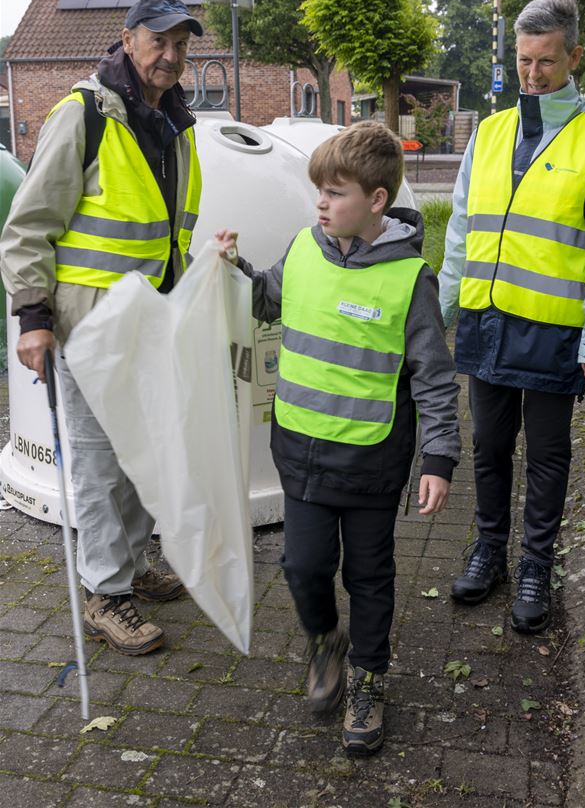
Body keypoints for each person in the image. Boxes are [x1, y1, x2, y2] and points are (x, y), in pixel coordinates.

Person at [216, 121, 460, 755]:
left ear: (377, 200)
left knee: (370, 576)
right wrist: (233, 269)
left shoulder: (411, 278)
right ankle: (325, 640)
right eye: (318, 192)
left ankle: (368, 679)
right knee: (303, 567)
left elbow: (434, 377)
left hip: (372, 462)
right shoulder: (303, 247)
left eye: (334, 193)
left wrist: (438, 457)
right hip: (300, 452)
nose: (320, 204)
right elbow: (266, 299)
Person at [0, 0, 204, 656]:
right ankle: (105, 594)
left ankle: (134, 564)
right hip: (87, 328)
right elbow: (28, 227)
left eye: (181, 44)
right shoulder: (83, 115)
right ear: (127, 38)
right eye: (159, 40)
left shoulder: (177, 124)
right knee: (96, 465)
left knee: (144, 453)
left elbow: (169, 234)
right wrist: (33, 317)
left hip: (151, 324)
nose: (170, 55)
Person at [439, 0, 585, 634]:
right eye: (524, 60)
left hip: (555, 329)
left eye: (546, 61)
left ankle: (535, 566)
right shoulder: (490, 132)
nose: (533, 74)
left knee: (548, 457)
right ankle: (489, 551)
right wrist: (438, 311)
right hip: (487, 319)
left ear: (574, 57)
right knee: (489, 446)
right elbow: (461, 230)